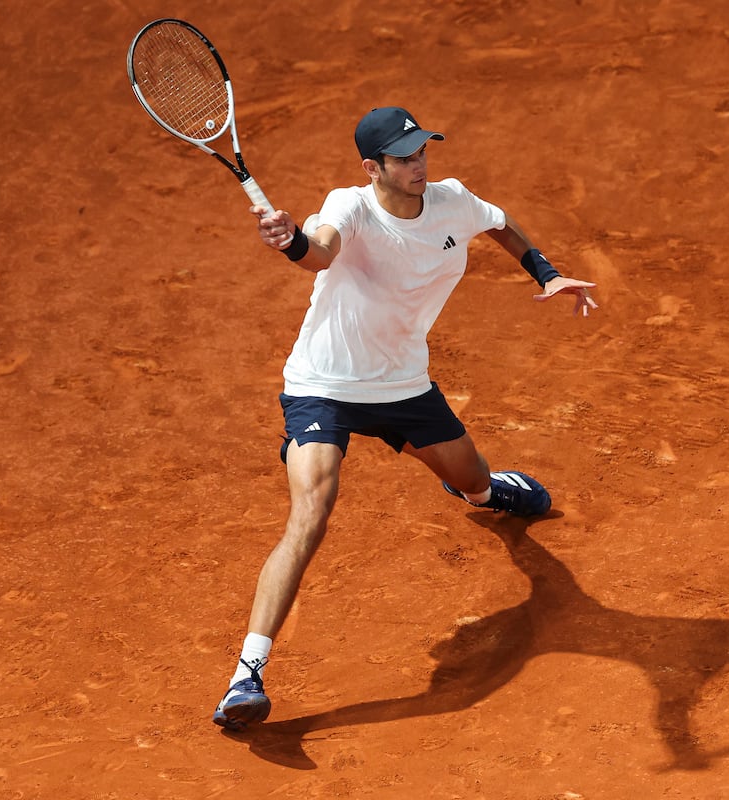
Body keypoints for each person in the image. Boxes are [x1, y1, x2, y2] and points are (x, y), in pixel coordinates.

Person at [212, 106, 598, 731]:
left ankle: (485, 493)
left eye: (422, 151)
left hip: (402, 385)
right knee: (311, 511)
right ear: (373, 168)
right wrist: (293, 242)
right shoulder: (350, 206)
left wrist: (548, 275)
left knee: (473, 480)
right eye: (404, 158)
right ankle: (246, 677)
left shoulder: (452, 201)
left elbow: (501, 225)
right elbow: (320, 252)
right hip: (324, 387)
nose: (419, 165)